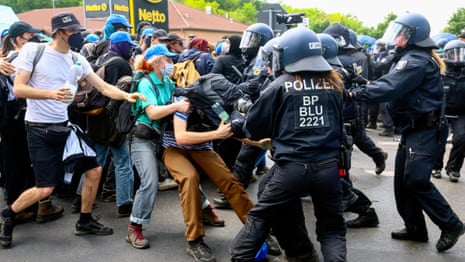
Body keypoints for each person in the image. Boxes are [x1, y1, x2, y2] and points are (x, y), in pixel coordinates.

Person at [0, 12, 145, 248]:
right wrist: (51, 94)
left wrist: (127, 95)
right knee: (45, 187)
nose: (79, 35)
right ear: (60, 32)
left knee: (95, 170)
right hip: (39, 129)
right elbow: (19, 89)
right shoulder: (34, 51)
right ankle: (8, 214)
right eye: (74, 32)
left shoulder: (77, 59)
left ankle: (85, 220)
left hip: (66, 128)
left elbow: (104, 87)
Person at [350, 12, 465, 252]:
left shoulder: (416, 60)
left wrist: (356, 94)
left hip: (425, 130)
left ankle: (451, 224)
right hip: (414, 129)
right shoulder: (410, 57)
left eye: (401, 33)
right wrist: (363, 84)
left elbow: (391, 87)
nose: (396, 37)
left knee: (416, 179)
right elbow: (390, 82)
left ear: (414, 36)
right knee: (403, 182)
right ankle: (415, 228)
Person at [230, 27, 347, 262]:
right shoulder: (334, 84)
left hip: (292, 169)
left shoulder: (280, 85)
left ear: (289, 54)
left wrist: (239, 119)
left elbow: (254, 129)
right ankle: (301, 253)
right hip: (328, 168)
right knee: (332, 229)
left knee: (260, 219)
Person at [161, 64, 254, 261]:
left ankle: (257, 230)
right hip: (175, 149)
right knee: (189, 178)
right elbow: (181, 137)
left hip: (202, 148)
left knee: (229, 181)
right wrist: (216, 134)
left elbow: (229, 128)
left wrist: (255, 142)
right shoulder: (183, 100)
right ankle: (195, 240)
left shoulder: (216, 104)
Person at [0, 21, 65, 224]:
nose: (35, 41)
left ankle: (21, 205)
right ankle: (25, 208)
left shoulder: (6, 58)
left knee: (15, 162)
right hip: (23, 115)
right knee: (29, 163)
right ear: (20, 38)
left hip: (11, 117)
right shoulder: (19, 58)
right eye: (30, 36)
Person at [71, 31, 137, 218]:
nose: (131, 48)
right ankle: (124, 204)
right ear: (120, 45)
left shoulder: (101, 58)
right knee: (123, 162)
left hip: (95, 117)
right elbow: (119, 94)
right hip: (113, 120)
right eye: (128, 45)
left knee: (95, 161)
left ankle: (79, 200)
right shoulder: (120, 64)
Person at [318, 32, 379, 229]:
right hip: (338, 127)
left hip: (333, 131)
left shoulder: (332, 72)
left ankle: (364, 210)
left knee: (336, 176)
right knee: (336, 176)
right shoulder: (341, 66)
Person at [324, 23, 388, 175]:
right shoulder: (346, 58)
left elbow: (357, 81)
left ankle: (344, 178)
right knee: (357, 137)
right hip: (346, 103)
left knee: (348, 139)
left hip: (348, 103)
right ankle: (377, 155)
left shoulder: (345, 59)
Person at [432, 40, 465, 182]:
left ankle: (454, 169)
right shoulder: (440, 72)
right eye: (454, 54)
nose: (458, 57)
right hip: (443, 110)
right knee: (439, 138)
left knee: (462, 138)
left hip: (462, 112)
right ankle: (436, 167)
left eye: (461, 54)